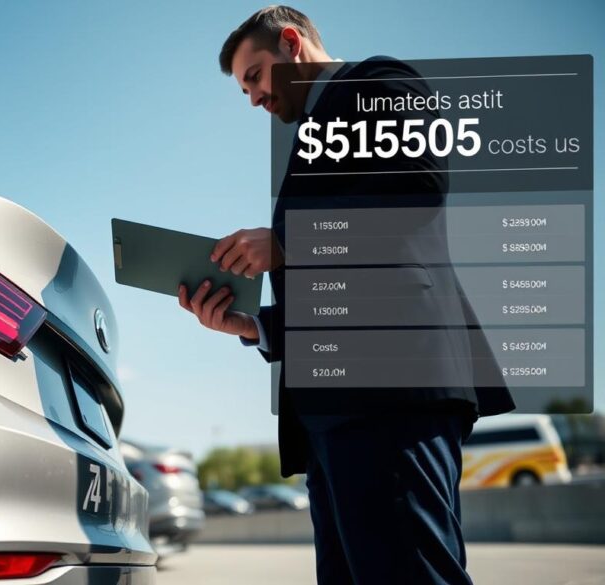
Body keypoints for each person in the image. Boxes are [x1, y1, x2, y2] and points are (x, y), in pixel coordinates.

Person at [177, 6, 514, 584]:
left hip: (392, 396)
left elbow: (419, 188)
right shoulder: (311, 138)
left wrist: (286, 241)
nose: (254, 98)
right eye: (244, 89)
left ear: (290, 43)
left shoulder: (380, 83)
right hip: (331, 417)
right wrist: (255, 327)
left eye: (255, 76)